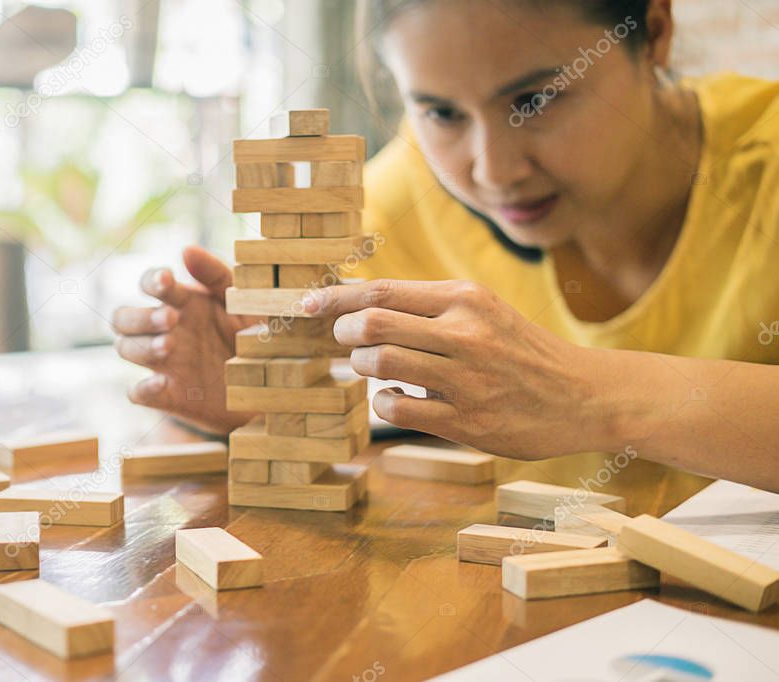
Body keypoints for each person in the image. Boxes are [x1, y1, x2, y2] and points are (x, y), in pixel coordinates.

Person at [112, 0, 779, 492]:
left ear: (654, 32)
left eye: (538, 98)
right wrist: (255, 396)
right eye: (440, 113)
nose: (493, 171)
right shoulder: (393, 202)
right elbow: (265, 347)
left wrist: (588, 396)